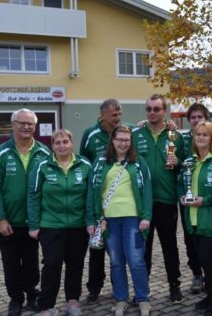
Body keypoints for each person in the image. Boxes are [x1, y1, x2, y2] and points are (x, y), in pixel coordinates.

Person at [0, 108, 50, 316]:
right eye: (21, 123)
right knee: (11, 263)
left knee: (32, 263)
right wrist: (1, 218)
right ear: (13, 125)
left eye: (30, 123)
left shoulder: (44, 152)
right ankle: (15, 299)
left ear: (35, 126)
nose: (26, 126)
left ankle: (32, 295)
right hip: (9, 222)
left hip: (34, 222)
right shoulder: (0, 154)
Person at [87, 125, 152, 316]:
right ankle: (121, 299)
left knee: (136, 260)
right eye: (119, 139)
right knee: (116, 261)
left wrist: (146, 216)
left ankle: (143, 299)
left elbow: (147, 190)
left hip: (133, 219)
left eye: (127, 140)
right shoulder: (99, 163)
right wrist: (90, 220)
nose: (123, 143)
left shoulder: (139, 162)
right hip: (108, 221)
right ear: (112, 141)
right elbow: (91, 192)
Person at [27, 129, 91, 316]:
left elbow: (90, 197)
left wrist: (89, 221)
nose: (62, 145)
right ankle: (47, 306)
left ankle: (72, 302)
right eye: (57, 143)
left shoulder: (85, 164)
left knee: (75, 264)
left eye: (65, 142)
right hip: (51, 226)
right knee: (52, 264)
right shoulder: (42, 166)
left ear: (72, 143)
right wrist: (33, 224)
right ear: (52, 146)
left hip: (78, 226)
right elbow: (33, 195)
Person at [132, 94, 186, 303]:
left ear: (165, 111)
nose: (152, 113)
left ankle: (174, 285)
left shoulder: (176, 136)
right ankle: (142, 290)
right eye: (149, 109)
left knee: (170, 246)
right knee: (143, 248)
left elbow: (184, 165)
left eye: (156, 109)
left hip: (166, 199)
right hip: (142, 202)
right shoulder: (136, 134)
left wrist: (178, 161)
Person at [79, 98, 132, 303]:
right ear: (103, 114)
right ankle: (94, 288)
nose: (118, 119)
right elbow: (83, 161)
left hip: (119, 201)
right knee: (97, 248)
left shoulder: (126, 131)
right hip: (98, 200)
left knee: (117, 250)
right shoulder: (90, 135)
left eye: (120, 114)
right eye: (114, 115)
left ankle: (119, 286)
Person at [178, 121, 212, 316]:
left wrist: (205, 200)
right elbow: (180, 184)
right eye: (198, 134)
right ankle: (210, 296)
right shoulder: (189, 161)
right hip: (192, 220)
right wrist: (182, 197)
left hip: (211, 220)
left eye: (205, 135)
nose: (200, 138)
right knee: (202, 260)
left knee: (208, 260)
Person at [180, 102, 212, 293]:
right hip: (187, 198)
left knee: (207, 238)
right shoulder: (181, 138)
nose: (196, 121)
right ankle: (197, 274)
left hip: (207, 197)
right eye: (193, 118)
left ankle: (210, 273)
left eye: (200, 117)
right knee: (189, 238)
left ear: (206, 119)